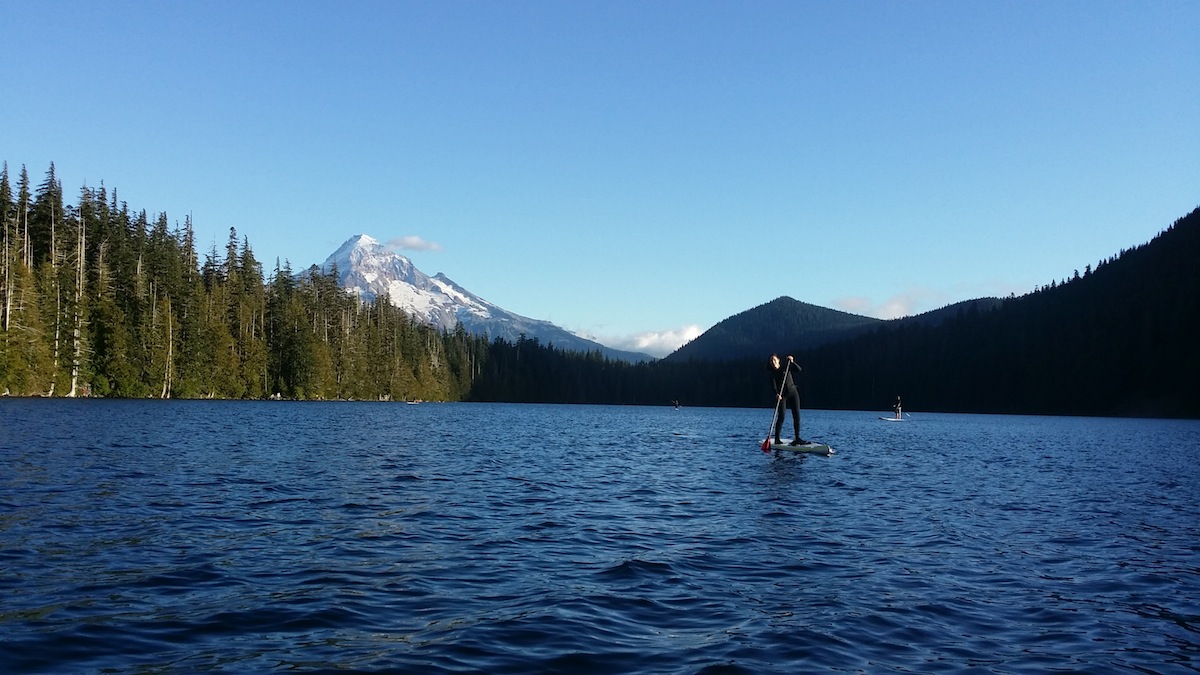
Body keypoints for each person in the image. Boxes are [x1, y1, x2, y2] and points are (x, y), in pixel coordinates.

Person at [769, 353, 807, 446]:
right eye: (771, 361)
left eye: (774, 360)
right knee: (781, 416)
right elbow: (773, 386)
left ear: (778, 360)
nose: (773, 362)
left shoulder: (786, 367)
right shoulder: (772, 373)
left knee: (796, 415)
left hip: (793, 393)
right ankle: (777, 439)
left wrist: (792, 362)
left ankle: (797, 438)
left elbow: (799, 370)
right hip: (782, 396)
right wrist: (776, 394)